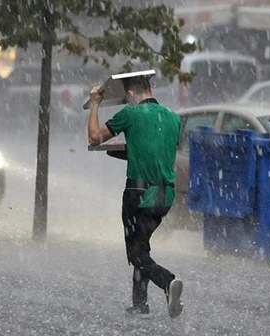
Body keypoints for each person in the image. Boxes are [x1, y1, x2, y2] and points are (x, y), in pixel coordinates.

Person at [87, 75, 183, 319]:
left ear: (129, 95)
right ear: (150, 89)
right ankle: (140, 304)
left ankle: (167, 281)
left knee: (136, 254)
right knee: (142, 246)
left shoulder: (130, 114)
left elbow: (94, 137)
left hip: (138, 195)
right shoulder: (173, 118)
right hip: (165, 196)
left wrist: (95, 103)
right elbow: (156, 152)